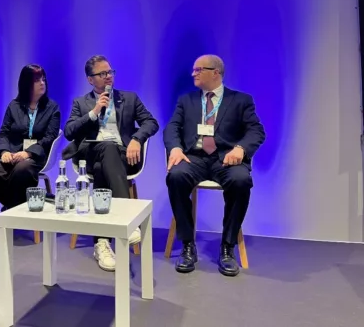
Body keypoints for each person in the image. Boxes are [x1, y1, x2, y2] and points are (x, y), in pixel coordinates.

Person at [164, 54, 265, 276]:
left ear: (215, 73)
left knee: (241, 180)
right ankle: (187, 245)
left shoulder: (241, 100)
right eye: (194, 69)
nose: (193, 74)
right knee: (176, 176)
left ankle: (227, 247)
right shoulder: (186, 100)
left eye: (198, 70)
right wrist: (176, 148)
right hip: (194, 158)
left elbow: (256, 131)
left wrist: (241, 149)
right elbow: (172, 128)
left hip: (225, 158)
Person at [62, 55, 159, 272]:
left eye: (110, 72)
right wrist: (94, 112)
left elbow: (151, 122)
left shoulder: (129, 98)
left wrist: (136, 139)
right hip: (91, 153)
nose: (108, 76)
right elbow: (69, 132)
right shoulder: (81, 103)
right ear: (90, 79)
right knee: (106, 148)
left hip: (123, 156)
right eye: (102, 73)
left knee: (102, 167)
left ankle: (102, 244)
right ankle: (127, 220)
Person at [0, 65, 61, 210]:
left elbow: (50, 137)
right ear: (26, 83)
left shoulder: (52, 108)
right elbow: (4, 132)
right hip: (12, 153)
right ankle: (16, 206)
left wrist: (28, 153)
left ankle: (10, 209)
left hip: (36, 156)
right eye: (37, 80)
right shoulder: (14, 106)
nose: (42, 83)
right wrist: (4, 151)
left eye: (43, 79)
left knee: (22, 169)